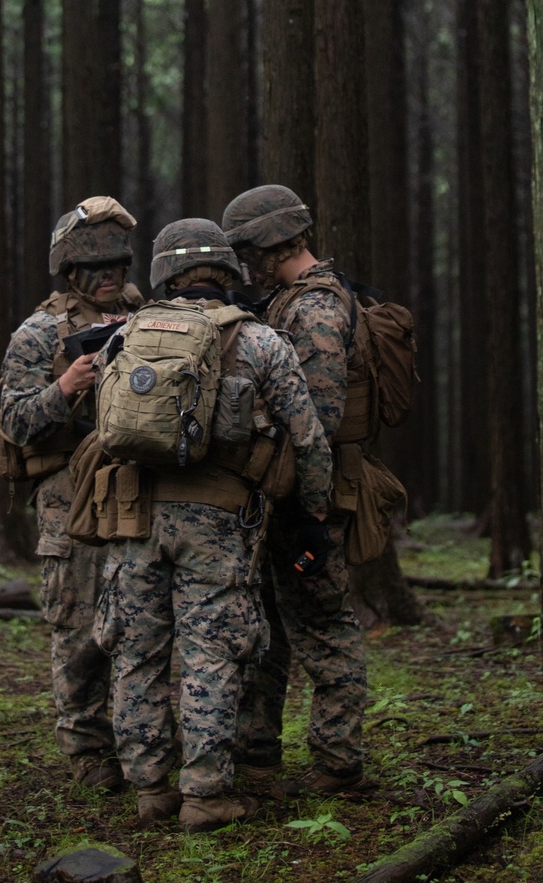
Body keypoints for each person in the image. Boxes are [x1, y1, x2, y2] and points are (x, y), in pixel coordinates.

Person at [93, 219, 332, 831]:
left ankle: (149, 788)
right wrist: (313, 517)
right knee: (213, 654)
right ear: (225, 271)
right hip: (220, 523)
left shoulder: (126, 337)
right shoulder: (260, 342)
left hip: (136, 518)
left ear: (162, 274)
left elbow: (105, 425)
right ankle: (204, 794)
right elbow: (309, 440)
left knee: (136, 654)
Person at [222, 184, 369, 796]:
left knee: (323, 623)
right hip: (286, 492)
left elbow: (321, 419)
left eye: (244, 251)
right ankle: (259, 753)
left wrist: (309, 508)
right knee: (272, 627)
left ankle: (338, 764)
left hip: (314, 493)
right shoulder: (291, 301)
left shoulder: (313, 309)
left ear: (266, 244)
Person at [0, 197, 143, 791]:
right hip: (68, 494)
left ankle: (145, 734)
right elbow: (14, 421)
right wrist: (65, 386)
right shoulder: (38, 333)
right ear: (69, 271)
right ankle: (87, 747)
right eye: (95, 267)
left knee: (141, 620)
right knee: (79, 626)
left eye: (117, 264)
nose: (109, 276)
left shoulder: (149, 314)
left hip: (137, 486)